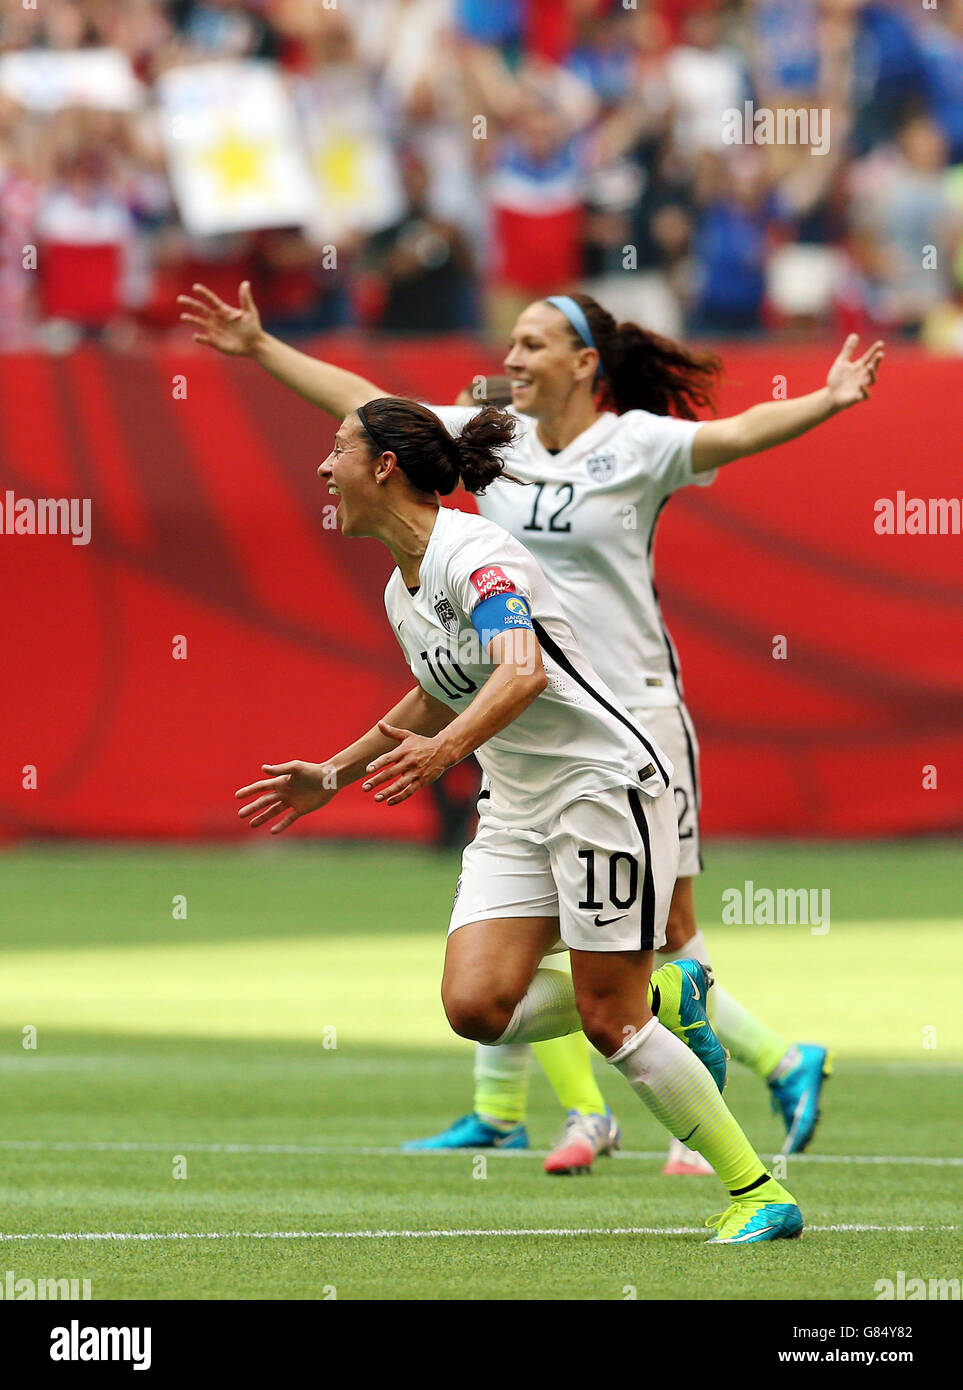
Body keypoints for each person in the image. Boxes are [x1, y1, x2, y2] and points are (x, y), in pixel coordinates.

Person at [178, 282, 884, 1175]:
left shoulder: (632, 445)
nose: (510, 359)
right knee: (523, 960)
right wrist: (260, 346)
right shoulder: (483, 448)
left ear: (585, 363)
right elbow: (363, 411)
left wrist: (827, 398)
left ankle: (705, 1117)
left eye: (532, 344)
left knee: (659, 930)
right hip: (510, 721)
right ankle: (534, 1103)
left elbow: (738, 434)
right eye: (508, 343)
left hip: (624, 713)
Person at [234, 393, 803, 1244]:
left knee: (608, 1022)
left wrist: (448, 751)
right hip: (516, 807)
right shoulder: (405, 586)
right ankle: (663, 985)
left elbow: (521, 671)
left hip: (598, 790)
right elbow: (441, 686)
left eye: (338, 448)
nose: (323, 467)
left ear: (385, 466)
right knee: (474, 1005)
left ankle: (757, 1191)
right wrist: (335, 771)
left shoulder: (477, 554)